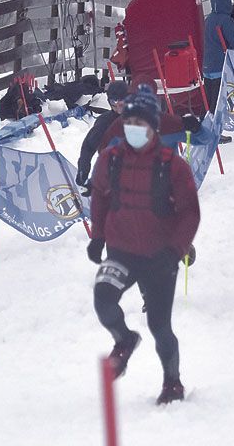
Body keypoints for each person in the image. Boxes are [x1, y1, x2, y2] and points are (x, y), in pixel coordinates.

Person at [88, 86, 200, 405]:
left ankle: (172, 382)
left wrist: (177, 249)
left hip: (159, 258)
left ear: (154, 127)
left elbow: (189, 212)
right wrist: (98, 236)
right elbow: (99, 196)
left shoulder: (172, 166)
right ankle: (124, 340)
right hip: (121, 252)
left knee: (159, 325)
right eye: (129, 123)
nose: (134, 129)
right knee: (103, 297)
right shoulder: (111, 160)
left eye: (141, 123)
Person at [76, 81, 130, 190]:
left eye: (122, 101)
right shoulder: (105, 122)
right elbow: (89, 146)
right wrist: (83, 168)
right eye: (114, 102)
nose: (118, 106)